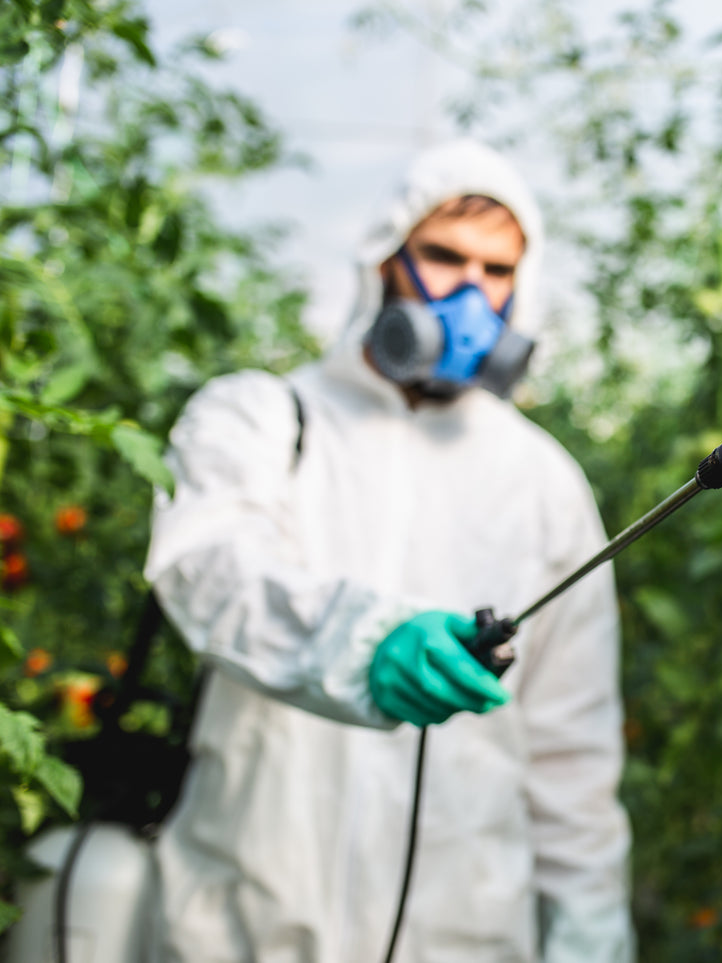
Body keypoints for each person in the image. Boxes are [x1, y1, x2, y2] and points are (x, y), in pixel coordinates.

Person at [143, 140, 634, 963]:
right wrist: (364, 642)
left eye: (497, 270)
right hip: (247, 916)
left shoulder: (543, 480)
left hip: (463, 932)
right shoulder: (261, 419)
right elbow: (211, 570)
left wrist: (589, 941)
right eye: (443, 257)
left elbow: (571, 752)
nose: (471, 295)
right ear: (383, 263)